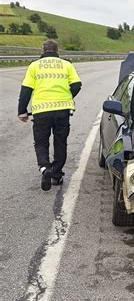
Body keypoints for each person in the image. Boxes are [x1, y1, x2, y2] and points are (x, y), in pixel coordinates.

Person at [18, 39, 82, 191]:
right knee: (60, 142)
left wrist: (21, 111)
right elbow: (77, 85)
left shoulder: (34, 66)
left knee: (41, 142)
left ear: (43, 50)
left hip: (41, 111)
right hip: (62, 110)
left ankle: (45, 168)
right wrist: (67, 96)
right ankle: (56, 175)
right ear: (57, 50)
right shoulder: (67, 64)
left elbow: (26, 89)